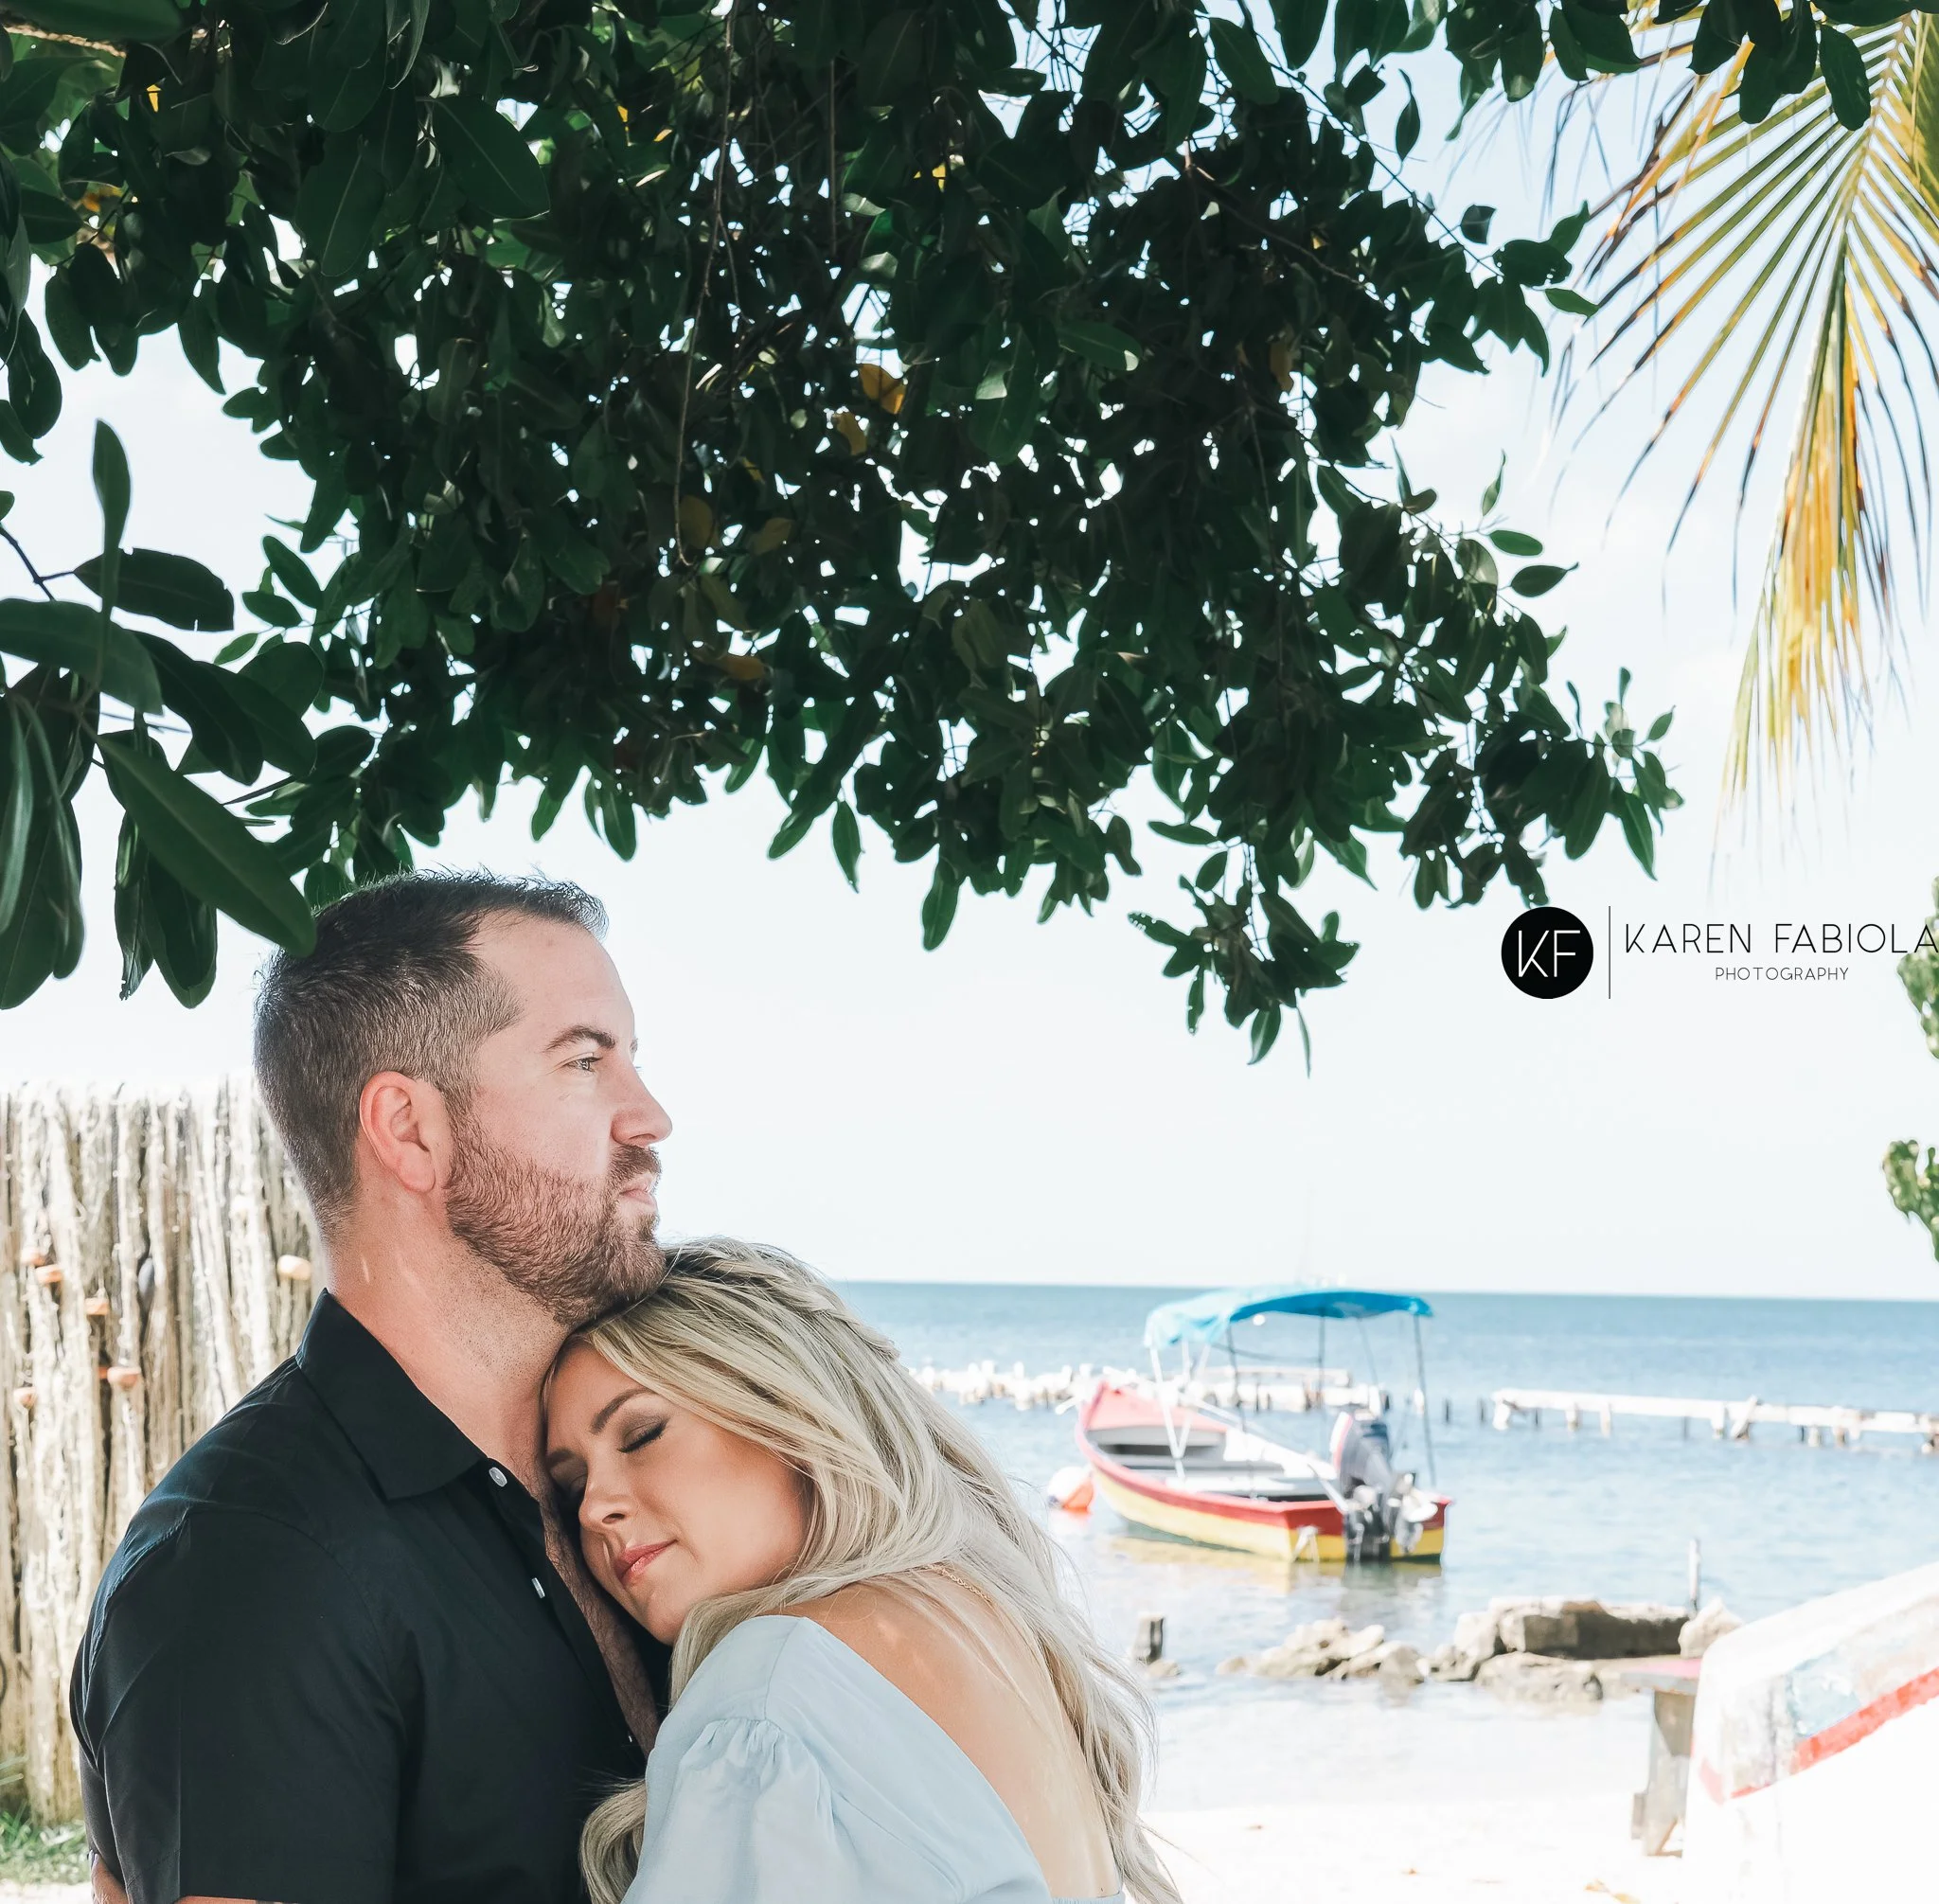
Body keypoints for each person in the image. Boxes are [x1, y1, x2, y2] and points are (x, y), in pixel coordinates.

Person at [70, 871, 672, 1904]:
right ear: (410, 1130)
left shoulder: (623, 1493)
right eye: (585, 1060)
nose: (649, 1117)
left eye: (633, 1060)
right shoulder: (250, 1564)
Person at [543, 1237, 1183, 1904]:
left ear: (789, 1412)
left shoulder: (770, 1700)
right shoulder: (990, 1623)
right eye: (570, 1485)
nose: (594, 1507)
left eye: (641, 1434)